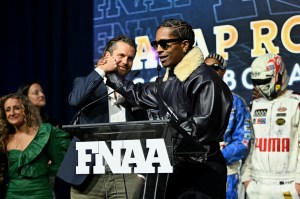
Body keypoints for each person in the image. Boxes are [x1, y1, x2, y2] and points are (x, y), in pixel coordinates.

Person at [104, 18, 233, 199]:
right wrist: (111, 73)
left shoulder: (206, 80)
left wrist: (157, 142)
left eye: (165, 44)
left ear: (185, 44)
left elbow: (198, 129)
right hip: (175, 168)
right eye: (156, 44)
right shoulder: (169, 80)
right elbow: (138, 94)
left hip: (203, 173)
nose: (159, 50)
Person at [57, 35, 148, 199]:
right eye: (121, 55)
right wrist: (101, 70)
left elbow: (144, 132)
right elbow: (75, 100)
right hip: (89, 175)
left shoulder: (134, 91)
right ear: (107, 56)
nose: (125, 62)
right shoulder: (86, 83)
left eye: (130, 58)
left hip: (126, 175)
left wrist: (140, 174)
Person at [241, 53, 300, 198]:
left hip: (288, 184)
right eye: (256, 81)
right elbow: (250, 144)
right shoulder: (254, 105)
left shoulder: (296, 103)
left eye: (264, 80)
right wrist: (246, 179)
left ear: (278, 75)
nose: (259, 85)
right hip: (256, 183)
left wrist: (298, 183)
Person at [0, 93, 70, 198]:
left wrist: (42, 170)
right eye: (8, 110)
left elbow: (60, 160)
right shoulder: (5, 138)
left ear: (25, 110)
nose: (12, 113)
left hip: (40, 193)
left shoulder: (44, 133)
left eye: (17, 108)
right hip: (13, 194)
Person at [204, 53, 252, 199]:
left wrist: (215, 157)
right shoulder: (192, 101)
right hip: (199, 173)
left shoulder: (236, 102)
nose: (211, 71)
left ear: (223, 71)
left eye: (215, 67)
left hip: (228, 173)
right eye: (206, 68)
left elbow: (243, 140)